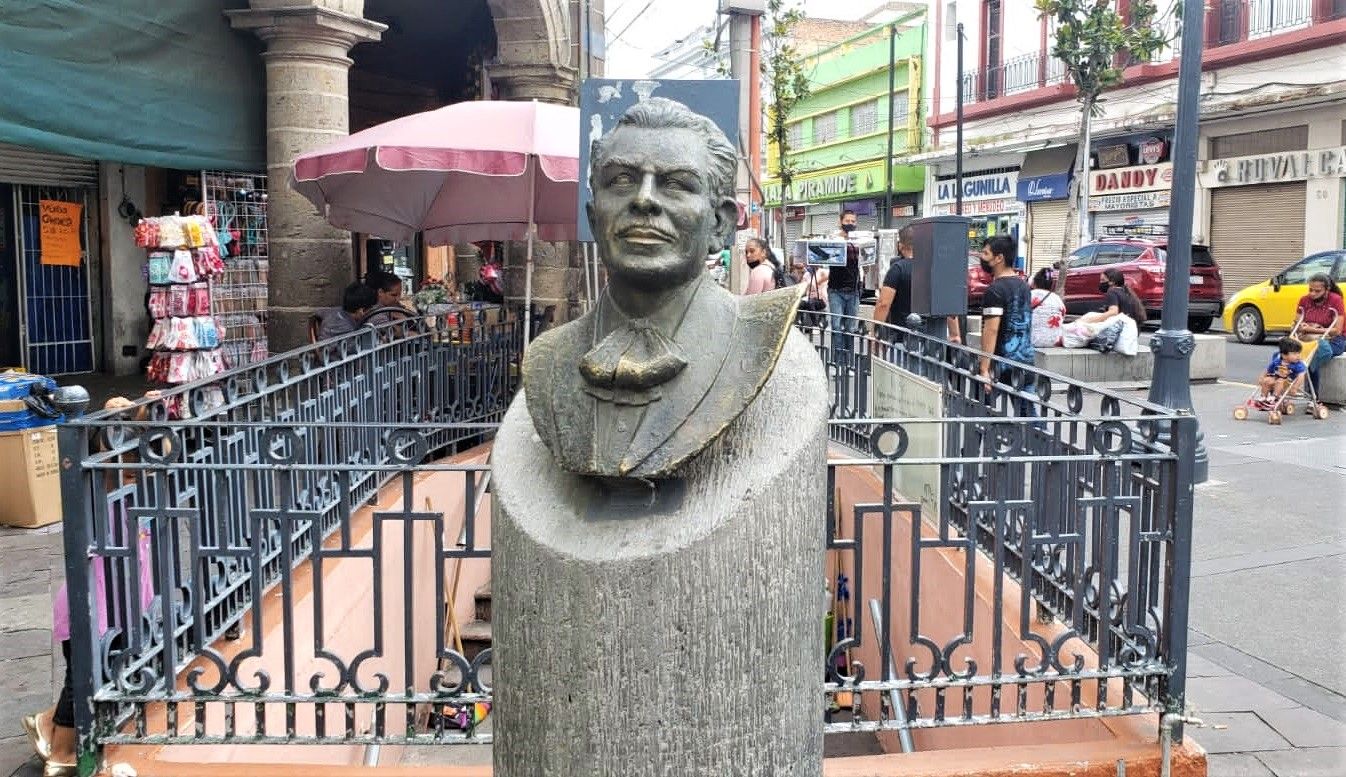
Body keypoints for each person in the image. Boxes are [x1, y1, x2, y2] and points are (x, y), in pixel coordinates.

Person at [522, 97, 804, 479]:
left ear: (720, 225)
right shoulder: (548, 360)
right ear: (593, 217)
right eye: (622, 180)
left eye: (676, 185)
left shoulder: (766, 344)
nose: (643, 200)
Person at [870, 226, 962, 345]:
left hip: (903, 339)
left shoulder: (898, 269)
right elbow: (948, 307)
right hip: (932, 341)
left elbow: (883, 304)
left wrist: (876, 336)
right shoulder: (937, 268)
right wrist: (955, 335)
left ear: (900, 246)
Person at [977, 235, 1035, 387]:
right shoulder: (1024, 286)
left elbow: (991, 330)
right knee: (1027, 410)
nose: (981, 257)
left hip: (999, 366)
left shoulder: (995, 290)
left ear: (999, 258)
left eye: (985, 253)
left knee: (979, 407)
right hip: (1025, 361)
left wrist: (984, 368)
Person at [1297, 272, 1345, 397]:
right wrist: (1301, 327)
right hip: (1308, 338)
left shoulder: (1335, 300)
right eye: (1310, 290)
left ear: (1327, 290)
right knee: (1285, 353)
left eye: (1317, 291)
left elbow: (1337, 330)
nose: (1312, 294)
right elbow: (1295, 324)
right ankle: (1278, 390)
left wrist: (1312, 329)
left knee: (1315, 354)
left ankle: (1313, 396)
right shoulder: (1304, 300)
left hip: (1336, 339)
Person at [827, 210, 863, 365]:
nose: (850, 223)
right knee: (836, 326)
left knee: (850, 328)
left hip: (854, 290)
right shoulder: (833, 239)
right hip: (836, 289)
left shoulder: (859, 241)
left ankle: (848, 361)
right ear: (840, 221)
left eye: (853, 221)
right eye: (847, 220)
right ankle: (837, 361)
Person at [1079, 268, 1146, 326]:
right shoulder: (1126, 292)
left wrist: (1089, 320)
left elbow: (1113, 312)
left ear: (1112, 282)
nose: (1100, 282)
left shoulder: (1112, 292)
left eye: (1103, 280)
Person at [1258, 337, 1307, 405]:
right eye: (1295, 354)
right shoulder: (1277, 361)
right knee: (1266, 381)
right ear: (1284, 355)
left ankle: (1274, 398)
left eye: (1299, 353)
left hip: (1288, 382)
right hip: (1276, 378)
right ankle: (1263, 397)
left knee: (1279, 381)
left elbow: (1301, 376)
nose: (1298, 356)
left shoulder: (1298, 364)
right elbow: (1268, 369)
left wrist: (1295, 387)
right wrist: (1262, 377)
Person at [1029, 268, 1067, 348]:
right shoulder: (1057, 298)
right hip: (1053, 342)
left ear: (1034, 283)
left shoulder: (1029, 295)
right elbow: (1063, 315)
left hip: (1031, 340)